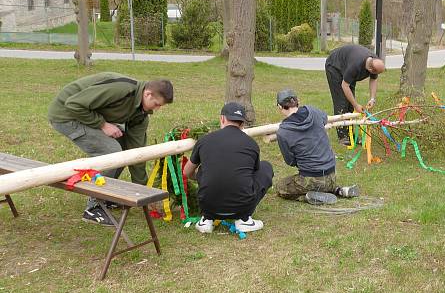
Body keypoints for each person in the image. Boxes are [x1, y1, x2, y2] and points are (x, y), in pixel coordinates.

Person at [48, 73, 174, 226]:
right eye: (157, 104)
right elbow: (74, 104)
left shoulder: (141, 115)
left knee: (122, 153)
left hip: (86, 113)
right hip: (66, 114)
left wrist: (144, 192)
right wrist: (103, 125)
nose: (158, 109)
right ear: (147, 94)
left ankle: (106, 197)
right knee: (111, 152)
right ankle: (93, 207)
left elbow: (135, 153)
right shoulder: (121, 90)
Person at [183, 102, 274, 233]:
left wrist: (200, 178)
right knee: (265, 167)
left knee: (207, 169)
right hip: (242, 206)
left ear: (222, 118)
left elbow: (187, 172)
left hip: (208, 206)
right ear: (242, 124)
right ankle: (244, 220)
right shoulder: (251, 144)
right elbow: (253, 173)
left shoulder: (204, 140)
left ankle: (206, 220)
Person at [274, 89, 359, 204]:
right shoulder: (312, 111)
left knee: (281, 187)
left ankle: (308, 197)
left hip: (312, 178)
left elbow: (290, 161)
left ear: (280, 107)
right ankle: (339, 190)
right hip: (332, 174)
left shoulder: (283, 132)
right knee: (322, 182)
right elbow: (324, 119)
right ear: (298, 101)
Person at [325, 44, 386, 146]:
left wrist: (372, 99)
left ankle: (350, 134)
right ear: (371, 70)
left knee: (349, 101)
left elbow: (374, 80)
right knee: (341, 101)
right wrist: (356, 105)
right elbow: (345, 86)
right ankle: (343, 137)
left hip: (346, 66)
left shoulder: (374, 62)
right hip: (334, 66)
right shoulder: (355, 65)